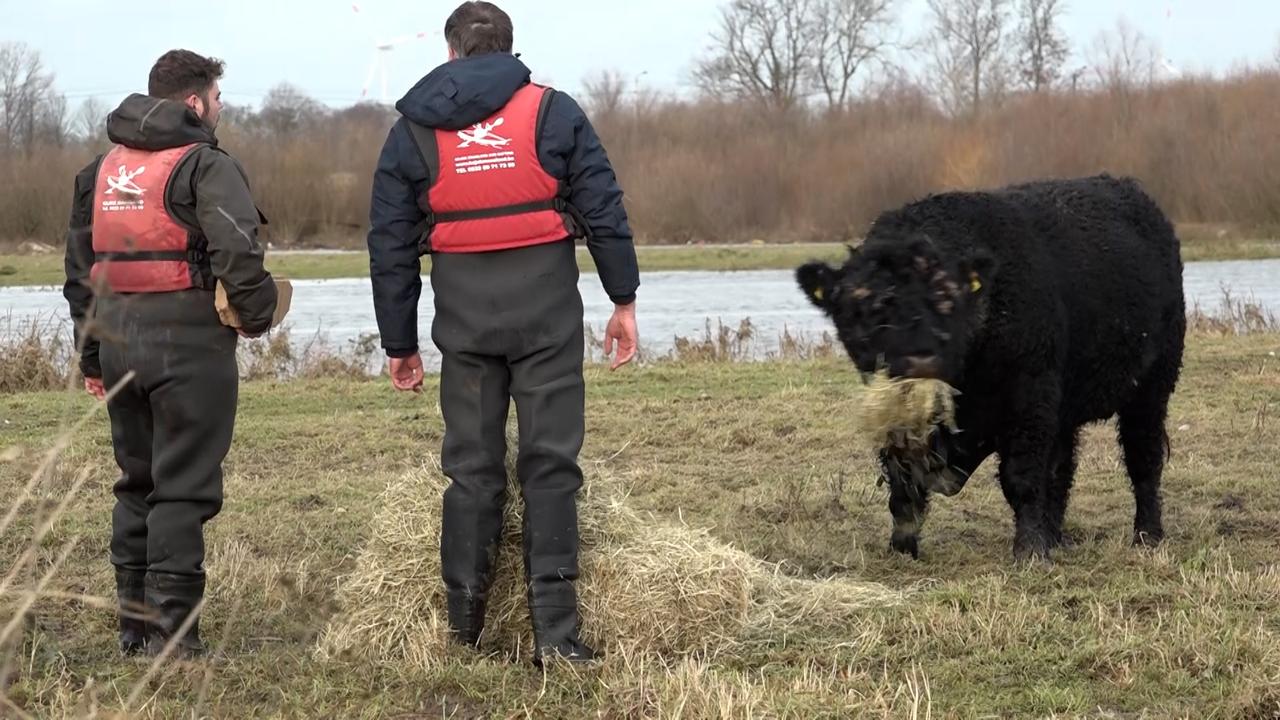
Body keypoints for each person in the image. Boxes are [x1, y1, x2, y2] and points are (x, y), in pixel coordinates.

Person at [366, 1, 640, 666]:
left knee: (471, 471)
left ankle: (463, 631)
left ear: (451, 52)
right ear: (511, 50)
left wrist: (399, 344)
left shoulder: (412, 130)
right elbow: (602, 207)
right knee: (550, 467)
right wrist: (622, 299)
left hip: (463, 322)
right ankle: (556, 636)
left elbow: (391, 246)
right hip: (545, 313)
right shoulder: (554, 111)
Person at [63, 49, 278, 658]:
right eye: (217, 98)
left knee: (137, 481)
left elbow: (79, 272)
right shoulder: (206, 165)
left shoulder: (99, 170)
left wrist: (91, 357)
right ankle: (174, 635)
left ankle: (133, 627)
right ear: (194, 102)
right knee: (182, 487)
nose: (220, 109)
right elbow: (239, 253)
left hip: (118, 341)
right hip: (189, 343)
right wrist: (256, 318)